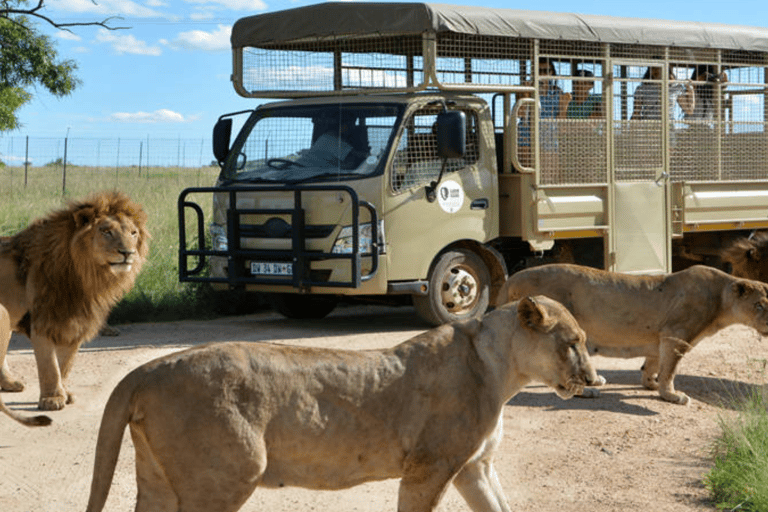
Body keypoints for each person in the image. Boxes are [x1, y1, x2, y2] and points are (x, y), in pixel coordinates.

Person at [517, 58, 571, 181]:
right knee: (527, 175)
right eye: (539, 71)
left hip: (549, 136)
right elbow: (520, 114)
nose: (542, 74)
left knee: (548, 176)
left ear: (552, 73)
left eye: (546, 70)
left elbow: (561, 125)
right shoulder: (526, 89)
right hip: (527, 135)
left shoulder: (557, 92)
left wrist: (564, 105)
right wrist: (525, 94)